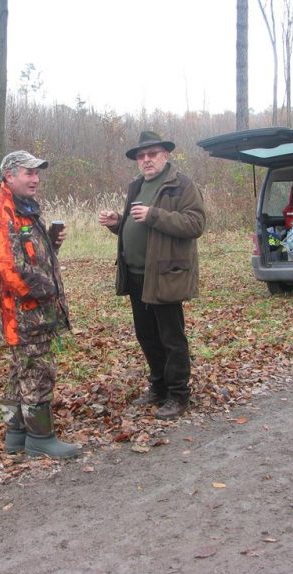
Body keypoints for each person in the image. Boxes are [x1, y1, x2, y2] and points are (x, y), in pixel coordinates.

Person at [98, 131, 206, 420]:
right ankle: (158, 388)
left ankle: (179, 395)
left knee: (171, 336)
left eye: (152, 154)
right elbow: (135, 225)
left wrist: (155, 215)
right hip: (135, 275)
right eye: (141, 156)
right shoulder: (136, 186)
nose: (146, 160)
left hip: (165, 274)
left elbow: (195, 223)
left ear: (165, 155)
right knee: (146, 335)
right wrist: (117, 223)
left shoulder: (180, 185)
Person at [0, 150, 79, 459]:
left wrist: (50, 243)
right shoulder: (3, 210)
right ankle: (40, 438)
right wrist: (47, 289)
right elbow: (8, 268)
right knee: (38, 370)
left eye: (37, 173)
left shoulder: (24, 207)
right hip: (23, 313)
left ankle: (16, 435)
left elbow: (28, 254)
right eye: (29, 173)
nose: (35, 179)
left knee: (21, 370)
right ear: (10, 175)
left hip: (32, 308)